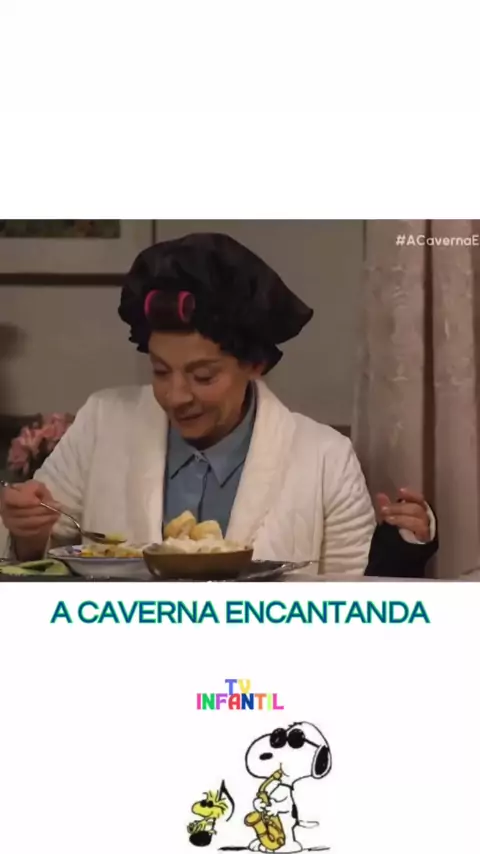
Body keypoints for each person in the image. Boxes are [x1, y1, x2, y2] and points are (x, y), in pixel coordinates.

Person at [0, 233, 437, 575]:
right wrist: (25, 535)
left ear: (255, 364)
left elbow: (350, 602)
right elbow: (37, 561)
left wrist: (406, 547)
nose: (176, 396)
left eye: (203, 376)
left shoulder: (326, 459)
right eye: (160, 371)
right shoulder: (102, 422)